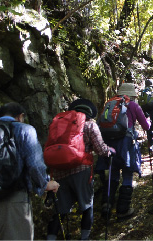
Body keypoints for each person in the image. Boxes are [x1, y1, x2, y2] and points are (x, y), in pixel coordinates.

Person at [0, 102, 60, 240]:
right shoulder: (24, 129)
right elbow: (35, 163)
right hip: (12, 201)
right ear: (20, 116)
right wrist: (45, 184)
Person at [46, 98, 115, 241]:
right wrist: (110, 151)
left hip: (58, 171)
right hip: (81, 170)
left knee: (60, 210)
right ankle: (85, 238)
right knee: (87, 205)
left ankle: (50, 238)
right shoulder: (90, 125)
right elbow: (101, 150)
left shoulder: (59, 123)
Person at [96, 82, 150, 220]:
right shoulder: (133, 105)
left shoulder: (110, 103)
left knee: (112, 173)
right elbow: (146, 126)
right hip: (126, 144)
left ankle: (106, 206)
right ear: (132, 95)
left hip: (108, 143)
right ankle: (122, 210)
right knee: (127, 174)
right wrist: (148, 122)